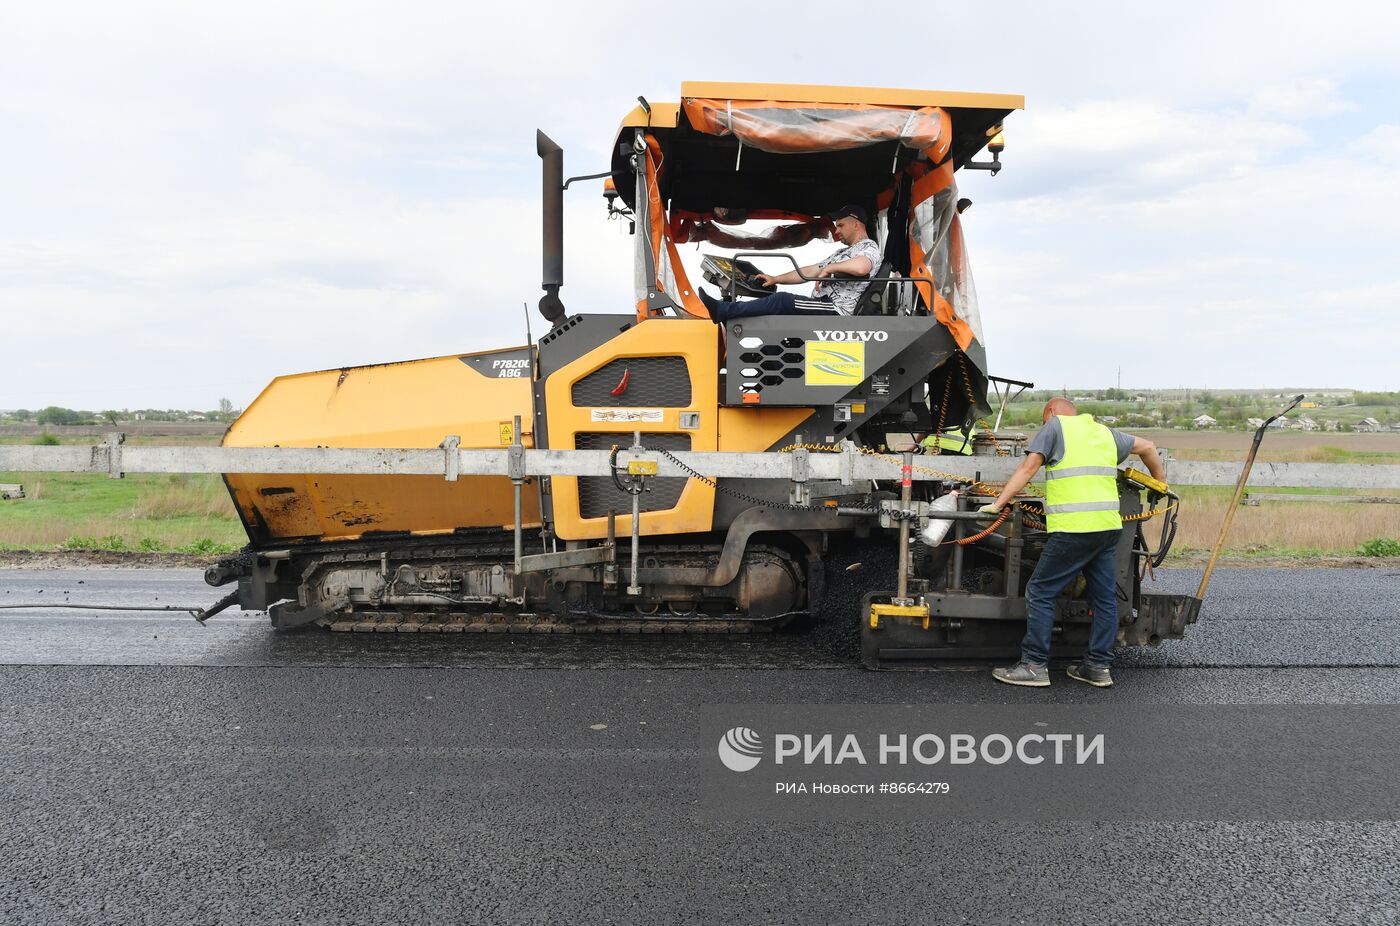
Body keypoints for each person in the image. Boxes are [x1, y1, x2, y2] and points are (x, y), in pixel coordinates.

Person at [980, 397, 1167, 689]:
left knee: (1041, 591)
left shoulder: (1055, 427)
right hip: (1106, 528)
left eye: (1044, 420)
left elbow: (1029, 468)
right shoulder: (1105, 433)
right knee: (1104, 599)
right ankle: (1097, 668)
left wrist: (998, 503)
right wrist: (1160, 483)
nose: (1044, 426)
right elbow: (1149, 447)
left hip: (1074, 529)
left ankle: (1033, 666)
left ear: (1052, 412)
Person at [697, 205, 882, 322]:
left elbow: (862, 267)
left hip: (837, 311)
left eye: (840, 225)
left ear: (856, 224)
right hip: (823, 305)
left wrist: (830, 268)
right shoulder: (843, 252)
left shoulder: (868, 247)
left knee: (782, 301)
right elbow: (810, 270)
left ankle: (723, 310)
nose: (836, 231)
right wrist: (775, 279)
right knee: (773, 320)